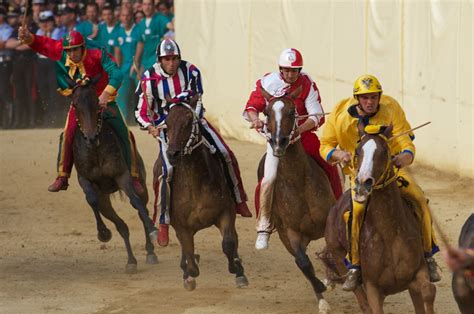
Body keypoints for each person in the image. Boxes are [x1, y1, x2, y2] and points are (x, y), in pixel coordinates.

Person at [320, 74, 442, 290]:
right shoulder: (341, 116)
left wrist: (405, 155)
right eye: (365, 98)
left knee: (420, 200)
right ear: (357, 99)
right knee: (355, 213)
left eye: (374, 97)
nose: (370, 102)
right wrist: (339, 155)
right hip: (360, 175)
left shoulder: (391, 108)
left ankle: (428, 255)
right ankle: (355, 266)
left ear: (379, 97)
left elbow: (405, 140)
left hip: (391, 171)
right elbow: (325, 145)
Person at [135, 38, 252, 247]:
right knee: (165, 170)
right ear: (160, 60)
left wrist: (195, 122)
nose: (171, 63)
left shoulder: (192, 71)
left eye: (174, 59)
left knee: (225, 153)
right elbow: (141, 111)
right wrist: (149, 126)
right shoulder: (148, 79)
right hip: (167, 127)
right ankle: (162, 220)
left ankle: (238, 198)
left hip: (194, 121)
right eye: (167, 59)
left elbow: (198, 100)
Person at [17, 28, 145, 194]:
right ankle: (63, 176)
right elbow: (45, 44)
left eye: (75, 49)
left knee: (125, 133)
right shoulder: (62, 50)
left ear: (83, 47)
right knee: (67, 134)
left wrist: (106, 94)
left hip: (104, 98)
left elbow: (117, 74)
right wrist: (30, 38)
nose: (72, 54)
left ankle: (133, 177)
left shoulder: (98, 53)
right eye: (68, 51)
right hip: (83, 103)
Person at [243, 48, 343, 250]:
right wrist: (256, 121)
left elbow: (317, 115)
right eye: (287, 70)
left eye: (295, 70)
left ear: (300, 70)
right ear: (280, 69)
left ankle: (340, 211)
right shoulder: (267, 82)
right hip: (275, 140)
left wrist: (299, 128)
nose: (291, 74)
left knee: (330, 165)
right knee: (268, 177)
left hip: (302, 136)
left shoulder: (307, 84)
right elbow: (252, 107)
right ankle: (264, 225)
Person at [114, 6, 140, 122]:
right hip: (125, 67)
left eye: (128, 15)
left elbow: (142, 47)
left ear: (132, 16)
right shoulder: (119, 31)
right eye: (123, 15)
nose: (126, 18)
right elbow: (117, 50)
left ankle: (144, 118)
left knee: (142, 92)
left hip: (138, 66)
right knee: (121, 94)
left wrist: (137, 64)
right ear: (120, 17)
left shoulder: (138, 29)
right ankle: (123, 119)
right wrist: (118, 67)